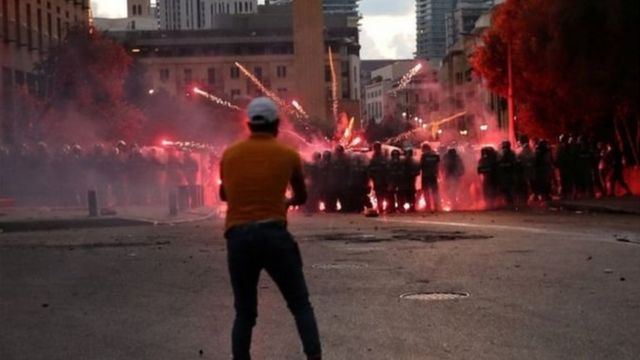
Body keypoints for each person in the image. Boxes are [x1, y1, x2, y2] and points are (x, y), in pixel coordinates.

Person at [219, 97, 322, 360]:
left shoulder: (229, 155)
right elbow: (301, 196)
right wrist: (286, 201)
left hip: (239, 238)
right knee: (300, 304)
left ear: (248, 124)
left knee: (244, 313)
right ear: (277, 124)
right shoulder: (288, 155)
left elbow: (224, 194)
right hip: (275, 236)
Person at [368, 142, 389, 212]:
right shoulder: (374, 157)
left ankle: (384, 207)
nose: (376, 149)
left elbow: (386, 167)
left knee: (383, 193)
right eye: (375, 147)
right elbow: (370, 168)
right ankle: (381, 207)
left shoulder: (383, 157)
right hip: (377, 178)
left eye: (377, 147)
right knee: (379, 193)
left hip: (383, 178)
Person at [419, 143, 440, 212]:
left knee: (426, 191)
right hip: (434, 175)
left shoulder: (424, 156)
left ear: (425, 148)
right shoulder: (435, 155)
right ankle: (437, 205)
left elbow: (421, 166)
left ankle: (428, 206)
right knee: (435, 191)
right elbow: (438, 164)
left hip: (426, 176)